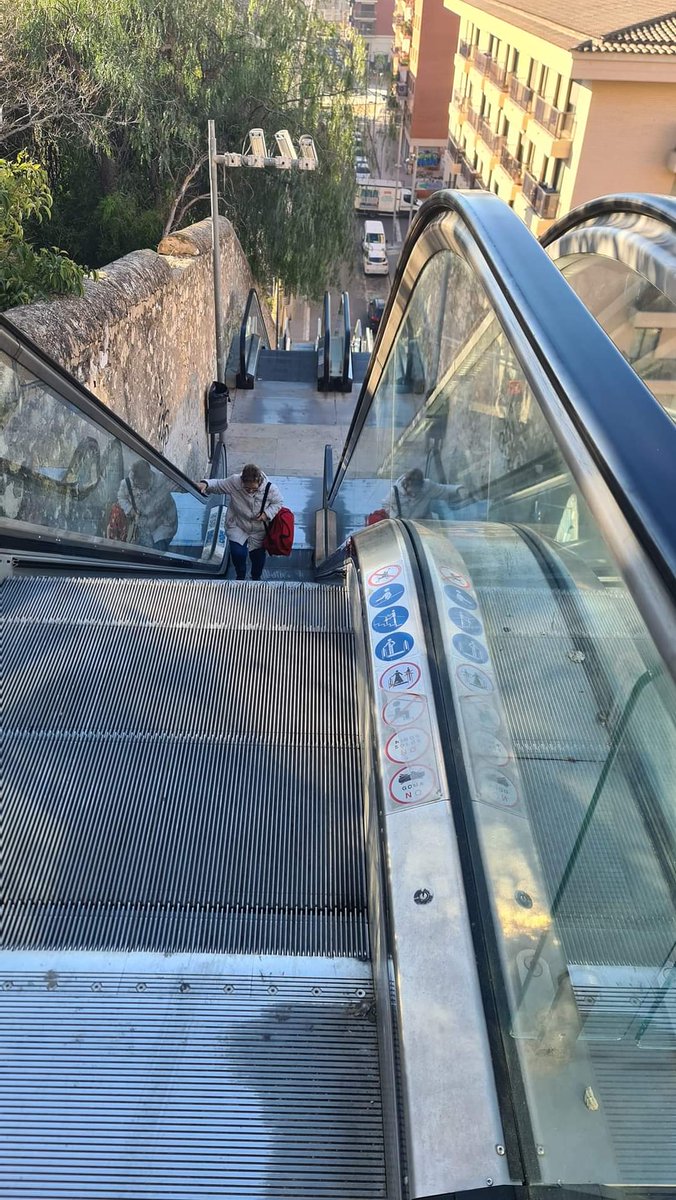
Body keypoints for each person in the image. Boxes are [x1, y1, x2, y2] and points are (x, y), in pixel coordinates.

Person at [198, 463, 282, 580]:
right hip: (238, 524)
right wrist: (206, 484)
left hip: (259, 529)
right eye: (247, 489)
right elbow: (218, 484)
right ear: (242, 482)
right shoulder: (234, 482)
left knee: (258, 557)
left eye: (254, 489)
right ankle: (240, 575)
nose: (251, 491)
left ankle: (256, 577)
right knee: (237, 553)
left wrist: (266, 514)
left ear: (260, 482)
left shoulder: (270, 489)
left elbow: (278, 503)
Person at [117, 458, 178, 551]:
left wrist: (198, 487)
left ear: (149, 476)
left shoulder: (161, 480)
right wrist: (130, 509)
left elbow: (179, 485)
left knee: (159, 550)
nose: (138, 484)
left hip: (163, 523)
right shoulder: (127, 484)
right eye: (136, 481)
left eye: (141, 481)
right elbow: (121, 497)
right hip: (143, 525)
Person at [388, 467, 465, 519]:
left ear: (421, 486)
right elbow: (387, 507)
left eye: (416, 492)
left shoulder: (428, 487)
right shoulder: (395, 493)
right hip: (406, 528)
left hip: (424, 525)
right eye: (411, 493)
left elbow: (444, 489)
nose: (414, 495)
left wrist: (458, 489)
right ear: (405, 485)